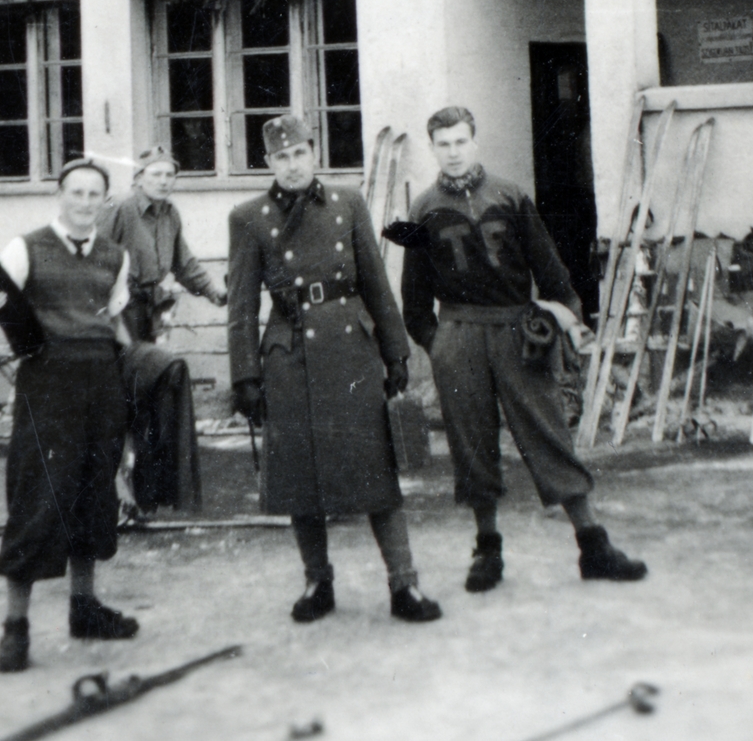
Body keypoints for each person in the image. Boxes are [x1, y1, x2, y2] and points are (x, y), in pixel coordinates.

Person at [396, 106, 647, 593]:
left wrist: (565, 314)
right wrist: (439, 343)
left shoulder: (510, 196)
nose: (453, 152)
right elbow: (413, 296)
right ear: (433, 148)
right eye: (443, 143)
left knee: (547, 430)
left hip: (515, 328)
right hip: (459, 333)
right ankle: (487, 550)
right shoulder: (422, 210)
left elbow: (549, 269)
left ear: (475, 142)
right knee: (471, 441)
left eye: (461, 141)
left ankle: (594, 545)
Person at [227, 114, 441, 624]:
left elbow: (376, 284)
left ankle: (404, 585)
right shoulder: (249, 217)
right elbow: (239, 306)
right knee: (302, 477)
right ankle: (317, 582)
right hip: (290, 356)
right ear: (269, 162)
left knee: (376, 471)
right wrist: (245, 378)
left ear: (313, 152)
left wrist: (396, 354)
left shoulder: (348, 204)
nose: (292, 164)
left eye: (299, 153)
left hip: (351, 352)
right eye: (281, 157)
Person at [0, 158, 140, 674]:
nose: (85, 203)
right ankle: (14, 628)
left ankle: (84, 609)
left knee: (93, 495)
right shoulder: (24, 249)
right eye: (76, 193)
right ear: (59, 197)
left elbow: (116, 326)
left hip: (101, 384)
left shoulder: (116, 256)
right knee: (37, 499)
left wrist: (137, 377)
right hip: (47, 387)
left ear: (105, 203)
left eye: (95, 195)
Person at [100, 147, 226, 518]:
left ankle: (144, 495)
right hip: (118, 314)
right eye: (155, 174)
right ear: (138, 178)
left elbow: (183, 263)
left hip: (153, 315)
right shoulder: (119, 210)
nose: (163, 181)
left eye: (169, 175)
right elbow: (95, 257)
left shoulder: (170, 214)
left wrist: (215, 292)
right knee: (118, 402)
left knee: (148, 401)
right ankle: (114, 494)